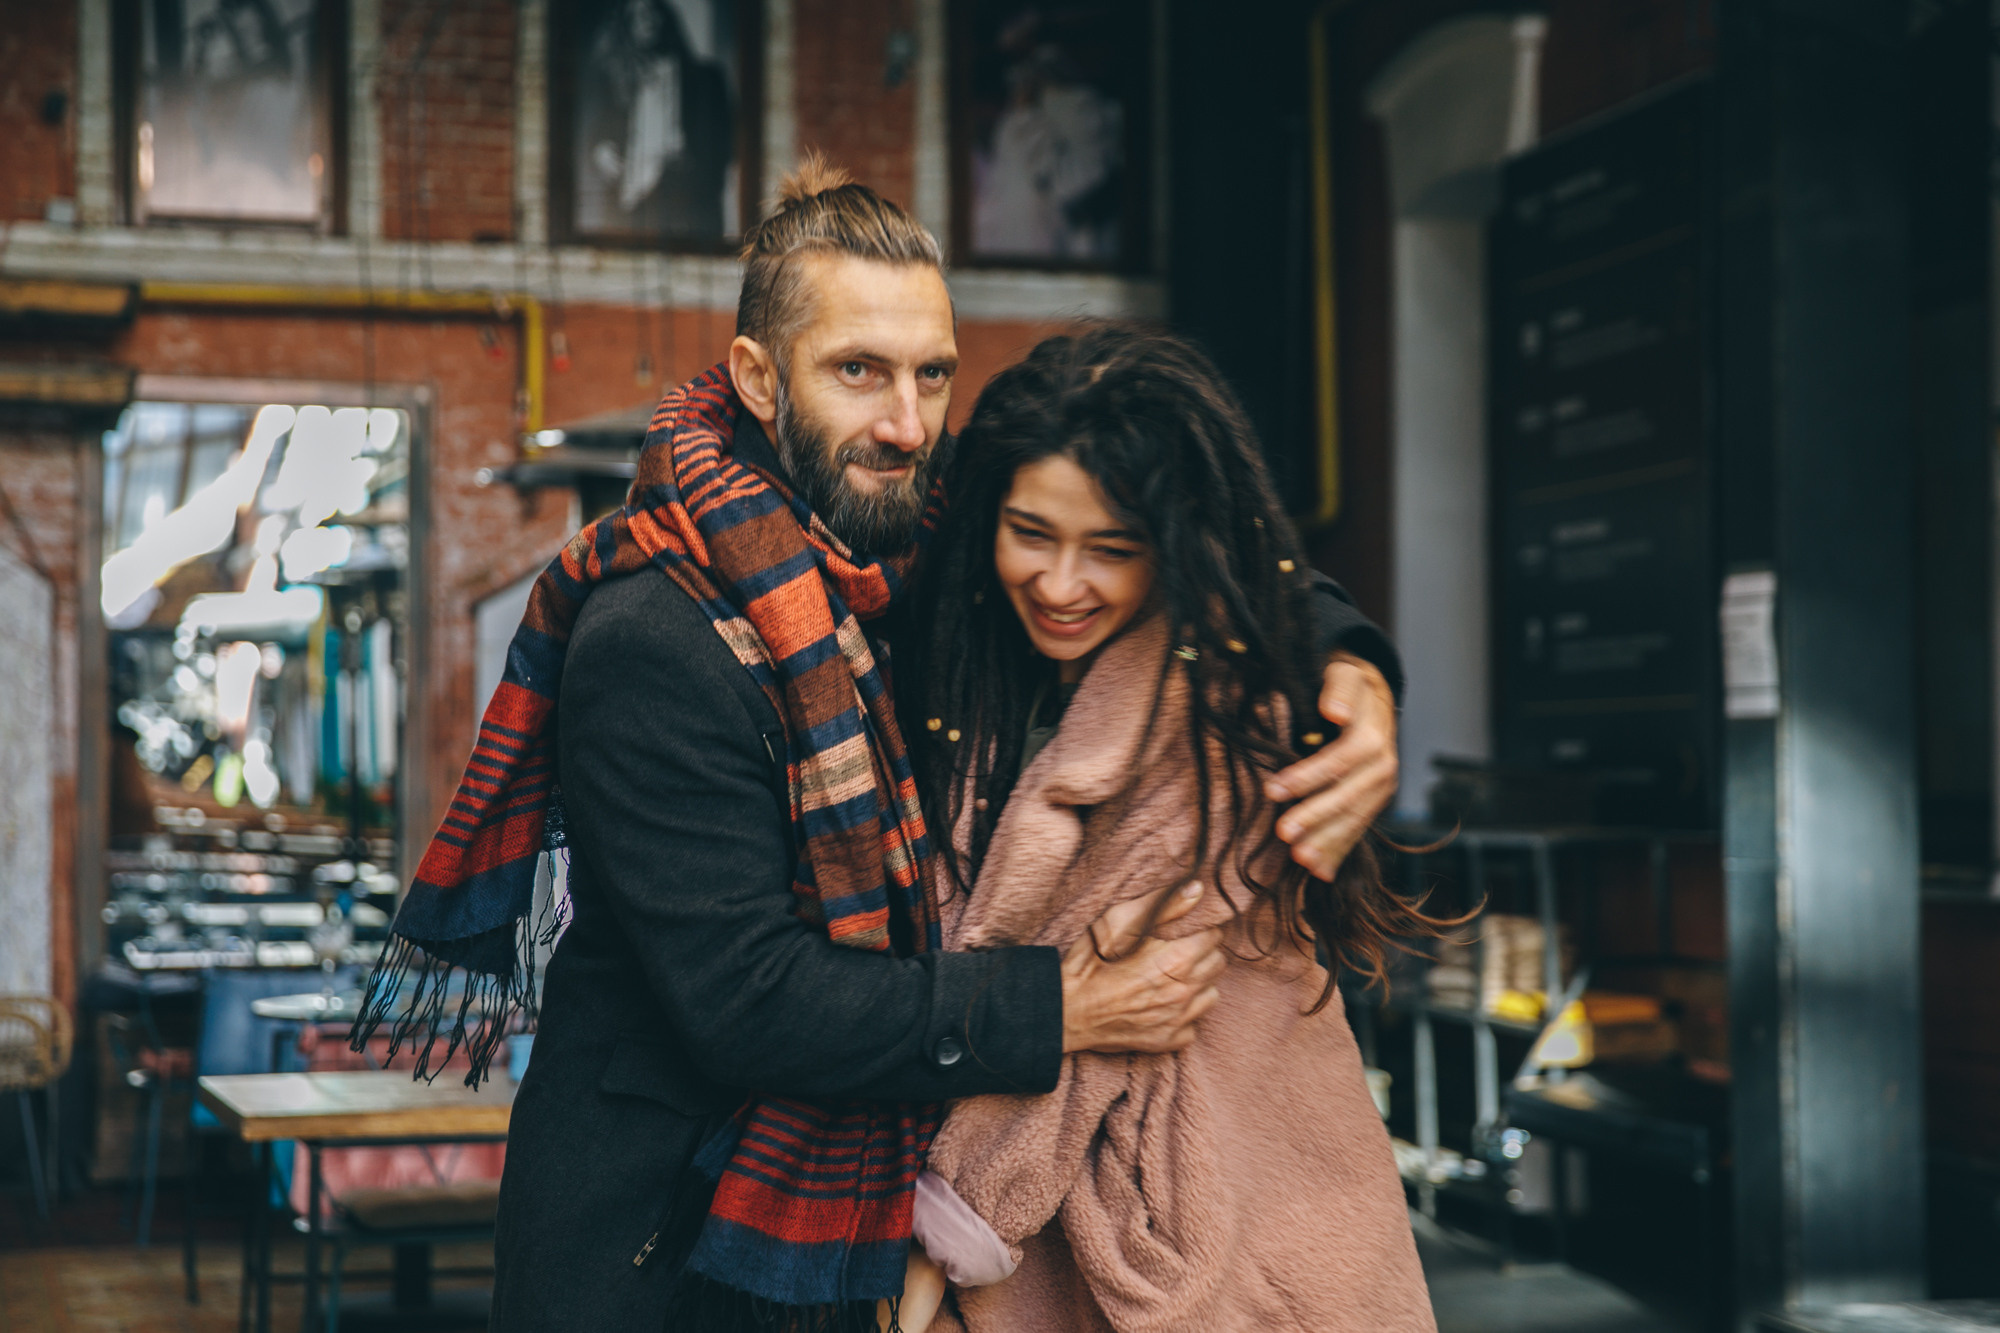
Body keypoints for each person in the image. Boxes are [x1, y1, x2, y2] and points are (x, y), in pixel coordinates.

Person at [353, 157, 1404, 1331]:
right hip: (658, 1247)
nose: (906, 424)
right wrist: (1065, 1008)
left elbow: (1172, 522)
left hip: (844, 1225)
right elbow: (750, 998)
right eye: (857, 372)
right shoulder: (654, 634)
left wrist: (1346, 662)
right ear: (757, 376)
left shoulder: (905, 546)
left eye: (931, 376)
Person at [891, 326, 1442, 1331]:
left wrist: (951, 1223)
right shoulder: (966, 661)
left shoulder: (1214, 719)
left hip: (1240, 1227)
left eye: (1112, 549)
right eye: (1030, 533)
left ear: (1179, 546)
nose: (1061, 585)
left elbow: (1116, 1017)